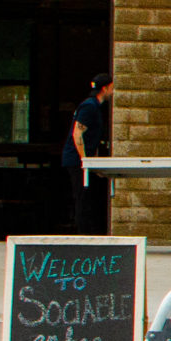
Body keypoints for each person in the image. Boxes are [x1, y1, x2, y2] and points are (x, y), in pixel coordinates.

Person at [62, 73, 112, 234]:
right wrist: (84, 160)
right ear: (105, 88)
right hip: (77, 160)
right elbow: (77, 133)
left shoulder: (95, 107)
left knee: (88, 197)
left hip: (83, 160)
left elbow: (91, 138)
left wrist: (95, 164)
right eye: (112, 88)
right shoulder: (89, 106)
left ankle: (89, 231)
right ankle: (83, 234)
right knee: (82, 197)